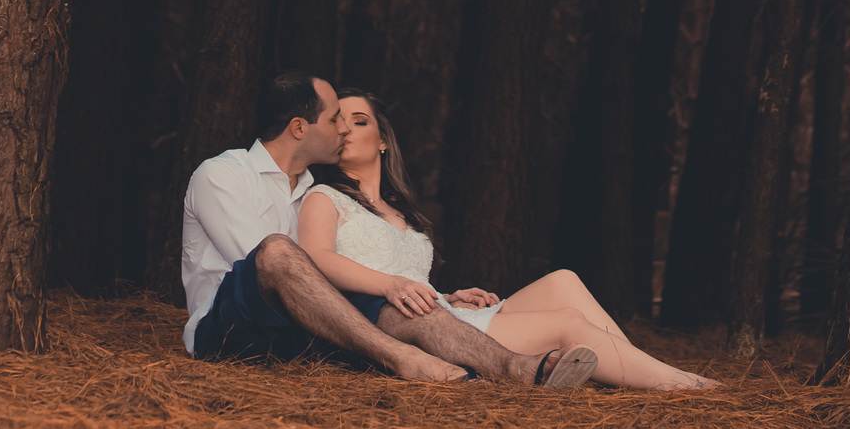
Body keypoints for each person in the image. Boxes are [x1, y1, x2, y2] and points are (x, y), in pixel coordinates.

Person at [181, 68, 597, 388]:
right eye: (333, 121)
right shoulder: (222, 175)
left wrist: (438, 298)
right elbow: (267, 267)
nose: (343, 130)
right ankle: (403, 358)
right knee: (275, 250)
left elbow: (325, 281)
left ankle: (519, 369)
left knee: (407, 307)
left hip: (306, 329)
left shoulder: (313, 189)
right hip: (234, 327)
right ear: (298, 128)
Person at [297, 91, 716, 392]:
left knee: (564, 280)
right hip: (405, 330)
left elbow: (407, 275)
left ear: (384, 141)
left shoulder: (399, 209)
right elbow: (317, 260)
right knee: (568, 323)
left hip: (439, 313)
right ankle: (684, 386)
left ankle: (638, 371)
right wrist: (392, 286)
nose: (346, 129)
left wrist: (449, 295)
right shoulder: (325, 198)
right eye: (339, 121)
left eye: (360, 120)